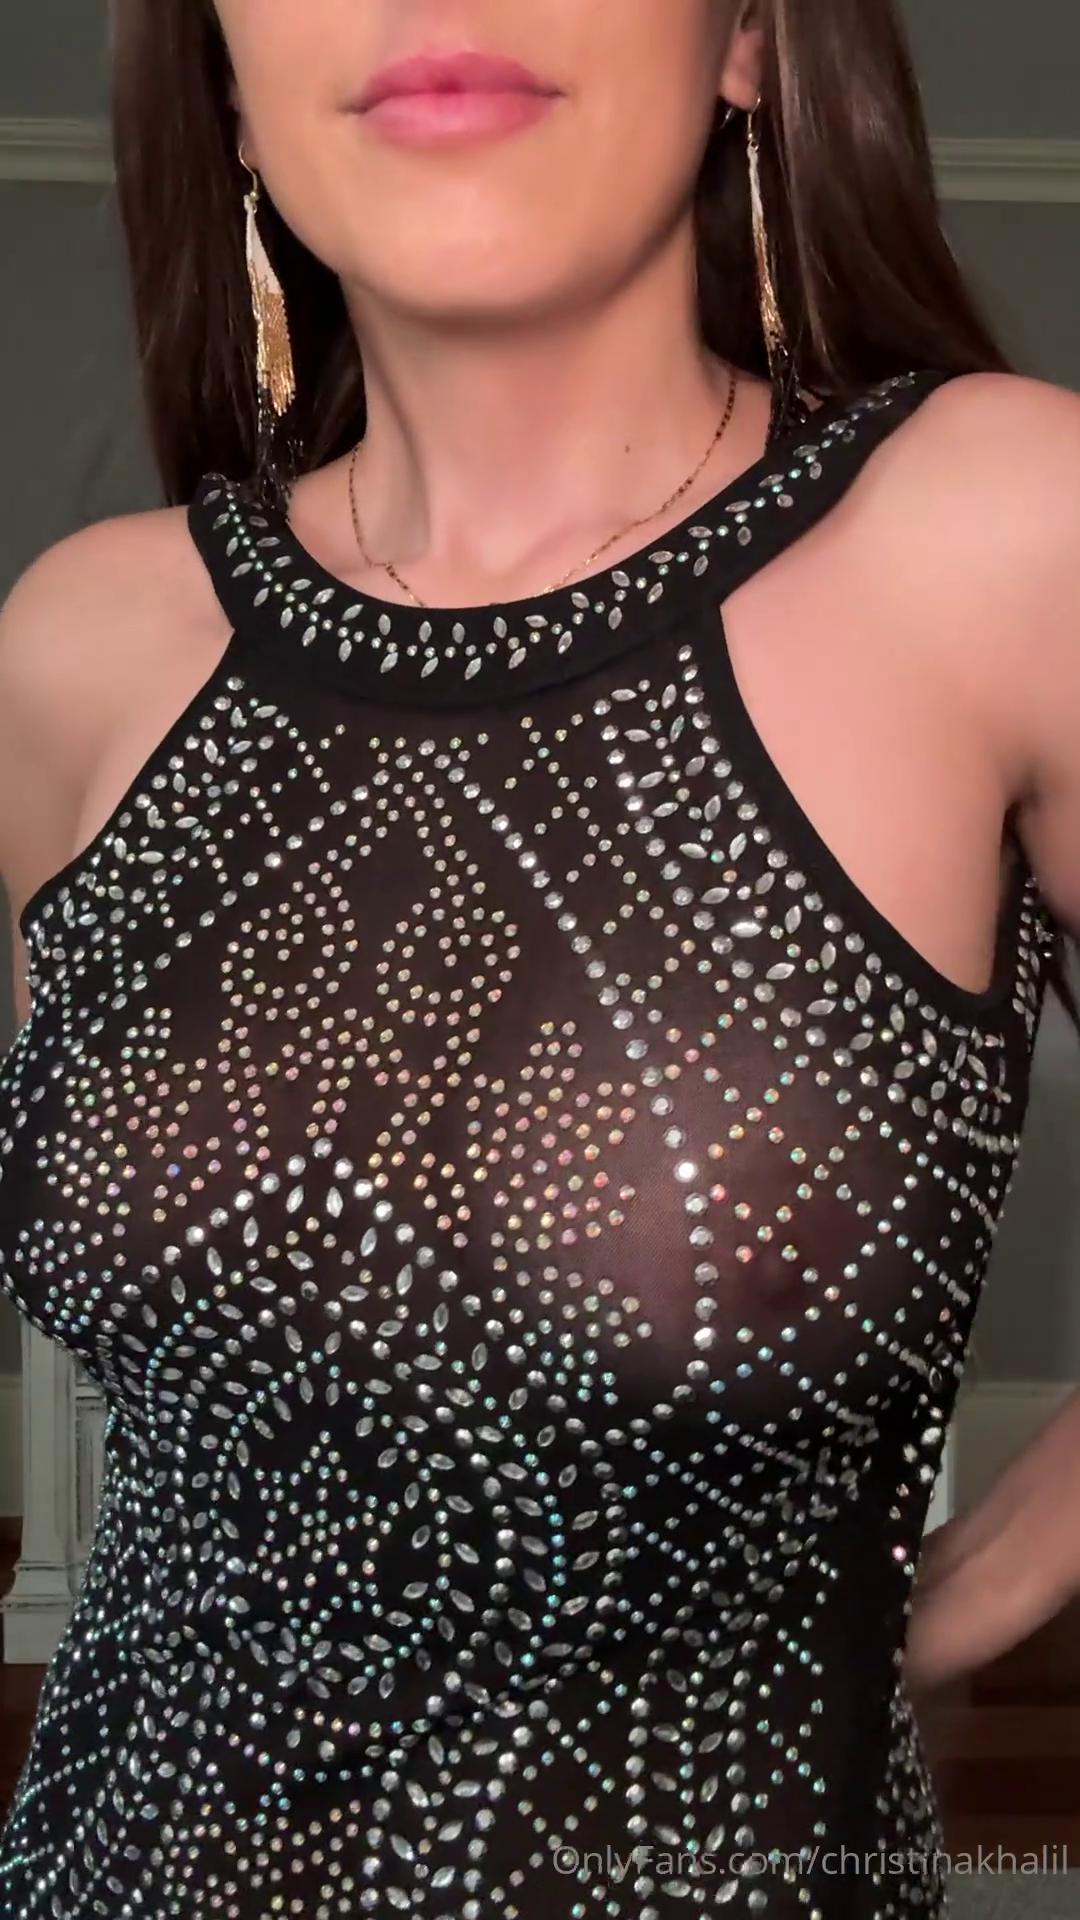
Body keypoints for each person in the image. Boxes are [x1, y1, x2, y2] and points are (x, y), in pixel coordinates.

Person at [0, 0, 1078, 1912]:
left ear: (748, 38)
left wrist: (979, 1584)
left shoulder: (1000, 529)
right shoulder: (80, 643)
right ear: (228, 84)